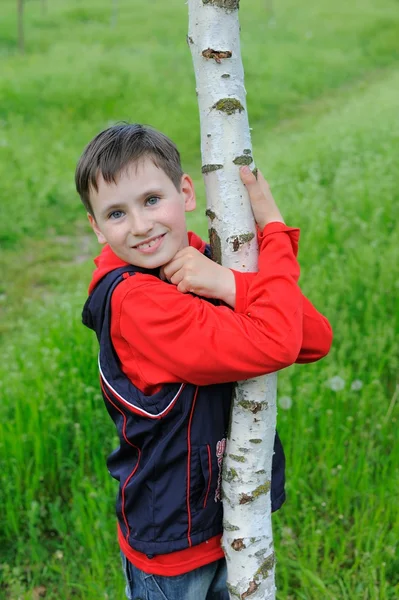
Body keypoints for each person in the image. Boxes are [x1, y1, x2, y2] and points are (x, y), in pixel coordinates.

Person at [76, 123, 332, 600]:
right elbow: (280, 343)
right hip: (174, 544)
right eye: (116, 213)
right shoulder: (136, 302)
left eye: (152, 200)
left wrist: (230, 281)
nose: (140, 225)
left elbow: (314, 338)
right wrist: (272, 233)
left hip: (232, 517)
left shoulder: (202, 262)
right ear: (96, 227)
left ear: (186, 192)